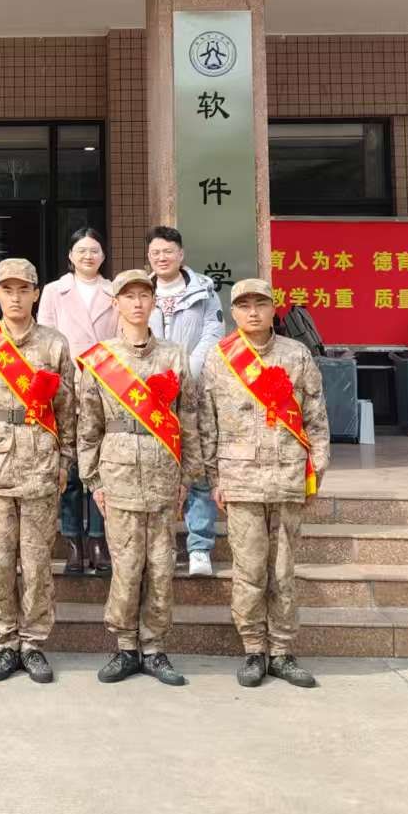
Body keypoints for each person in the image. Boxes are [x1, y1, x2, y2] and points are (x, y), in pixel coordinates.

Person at [201, 278, 330, 690]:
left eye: (261, 304)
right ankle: (254, 649)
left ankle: (282, 651)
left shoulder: (296, 355)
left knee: (283, 570)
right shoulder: (220, 358)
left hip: (288, 475)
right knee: (250, 569)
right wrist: (214, 477)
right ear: (233, 312)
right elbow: (207, 422)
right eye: (244, 305)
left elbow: (315, 415)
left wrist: (317, 468)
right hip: (240, 479)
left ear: (274, 309)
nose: (253, 312)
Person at [77, 268, 204, 687]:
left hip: (164, 474)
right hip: (118, 477)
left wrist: (188, 475)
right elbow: (88, 426)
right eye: (128, 296)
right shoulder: (101, 359)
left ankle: (155, 648)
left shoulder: (174, 356)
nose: (136, 303)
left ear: (153, 302)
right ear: (115, 304)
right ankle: (125, 647)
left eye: (143, 296)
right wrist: (93, 481)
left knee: (162, 565)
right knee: (127, 565)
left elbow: (189, 419)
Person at [0, 257, 78, 684]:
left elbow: (67, 408)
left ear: (35, 294)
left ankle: (33, 642)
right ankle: (6, 642)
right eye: (7, 289)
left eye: (23, 289)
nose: (15, 297)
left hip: (41, 463)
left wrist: (65, 460)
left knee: (37, 559)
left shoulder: (55, 345)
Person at [146, 224, 226, 578]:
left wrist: (186, 371)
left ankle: (199, 547)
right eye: (155, 252)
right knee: (158, 467)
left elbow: (213, 333)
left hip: (195, 389)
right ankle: (160, 545)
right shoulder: (140, 290)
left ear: (181, 254)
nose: (162, 257)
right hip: (152, 394)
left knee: (198, 466)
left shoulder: (204, 290)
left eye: (168, 251)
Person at [38, 226, 115, 576]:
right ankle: (73, 541)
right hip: (66, 387)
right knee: (69, 469)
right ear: (70, 255)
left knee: (98, 466)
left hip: (105, 387)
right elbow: (45, 338)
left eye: (94, 250)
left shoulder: (114, 291)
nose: (88, 255)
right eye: (81, 250)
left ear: (103, 255)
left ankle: (97, 540)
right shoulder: (54, 291)